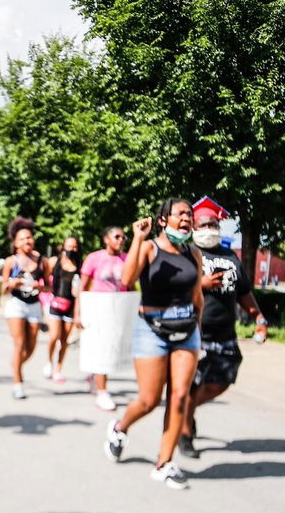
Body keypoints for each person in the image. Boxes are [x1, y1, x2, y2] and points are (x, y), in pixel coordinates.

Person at [104, 198, 203, 490]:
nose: (187, 218)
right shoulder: (149, 247)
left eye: (190, 214)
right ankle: (120, 428)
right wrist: (137, 238)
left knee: (180, 396)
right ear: (164, 220)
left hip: (187, 330)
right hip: (151, 330)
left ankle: (164, 463)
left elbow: (198, 296)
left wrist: (201, 330)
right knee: (149, 400)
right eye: (180, 214)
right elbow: (126, 279)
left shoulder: (193, 253)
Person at [180, 198, 268, 457]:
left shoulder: (230, 256)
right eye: (204, 224)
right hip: (194, 333)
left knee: (222, 382)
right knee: (191, 386)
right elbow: (173, 290)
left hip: (225, 335)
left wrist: (259, 319)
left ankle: (188, 410)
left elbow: (244, 293)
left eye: (214, 224)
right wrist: (201, 284)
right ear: (194, 228)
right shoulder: (187, 254)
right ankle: (185, 435)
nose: (210, 228)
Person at [74, 226, 129, 411]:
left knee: (112, 349)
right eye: (117, 236)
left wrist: (138, 305)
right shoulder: (94, 258)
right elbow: (82, 287)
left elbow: (130, 286)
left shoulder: (126, 259)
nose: (120, 240)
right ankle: (103, 392)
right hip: (98, 309)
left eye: (123, 237)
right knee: (102, 348)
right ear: (106, 239)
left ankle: (94, 375)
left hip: (118, 310)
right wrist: (77, 313)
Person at [0, 217, 45, 399]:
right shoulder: (11, 262)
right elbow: (4, 288)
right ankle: (18, 383)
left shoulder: (43, 261)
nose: (27, 241)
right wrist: (13, 283)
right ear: (16, 243)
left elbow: (49, 287)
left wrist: (40, 287)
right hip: (16, 305)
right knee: (19, 344)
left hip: (35, 305)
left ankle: (15, 365)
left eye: (29, 238)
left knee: (31, 347)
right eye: (22, 239)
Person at [43, 236, 81, 383]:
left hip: (70, 306)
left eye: (75, 247)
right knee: (54, 336)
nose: (72, 249)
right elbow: (45, 278)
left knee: (64, 340)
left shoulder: (79, 266)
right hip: (55, 304)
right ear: (63, 246)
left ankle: (58, 369)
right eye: (69, 246)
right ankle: (49, 361)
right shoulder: (55, 262)